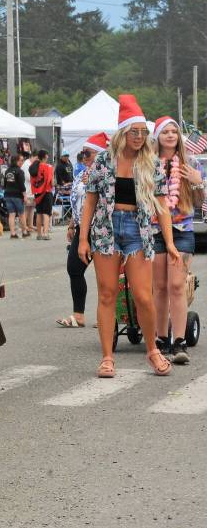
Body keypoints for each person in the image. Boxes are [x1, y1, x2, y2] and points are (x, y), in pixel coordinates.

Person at [78, 95, 180, 378]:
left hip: (138, 230)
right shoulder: (102, 160)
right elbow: (90, 201)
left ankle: (152, 350)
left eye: (143, 132)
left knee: (142, 296)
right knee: (107, 293)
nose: (139, 137)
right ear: (122, 132)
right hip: (106, 228)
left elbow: (162, 207)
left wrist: (169, 242)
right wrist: (83, 239)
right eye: (133, 132)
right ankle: (107, 357)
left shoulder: (151, 162)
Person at [150, 116, 204, 364]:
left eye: (174, 132)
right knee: (159, 287)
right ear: (158, 137)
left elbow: (198, 202)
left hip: (181, 230)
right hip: (154, 231)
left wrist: (197, 183)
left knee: (177, 286)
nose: (170, 136)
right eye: (165, 132)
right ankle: (161, 339)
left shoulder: (189, 163)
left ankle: (179, 342)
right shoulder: (148, 164)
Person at [56, 133, 107, 328]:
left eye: (88, 153)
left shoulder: (107, 173)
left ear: (100, 154)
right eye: (83, 153)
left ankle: (105, 315)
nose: (84, 157)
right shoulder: (81, 174)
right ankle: (79, 315)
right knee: (74, 268)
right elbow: (77, 202)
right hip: (82, 228)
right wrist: (72, 224)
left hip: (102, 228)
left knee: (105, 276)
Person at [30, 149, 55, 240]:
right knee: (46, 213)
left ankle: (39, 234)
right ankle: (45, 233)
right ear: (45, 156)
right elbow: (52, 183)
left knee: (39, 213)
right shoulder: (48, 167)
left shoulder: (34, 167)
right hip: (46, 192)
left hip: (37, 193)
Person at [3, 154, 26, 238]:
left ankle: (12, 233)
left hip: (8, 194)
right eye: (21, 160)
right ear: (16, 161)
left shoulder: (7, 171)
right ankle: (24, 232)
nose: (22, 162)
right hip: (17, 195)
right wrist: (25, 195)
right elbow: (21, 185)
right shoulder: (20, 171)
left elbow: (4, 184)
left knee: (11, 214)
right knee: (21, 214)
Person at [20, 151, 35, 237]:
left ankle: (30, 225)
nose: (36, 160)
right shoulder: (26, 164)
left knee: (32, 208)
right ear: (32, 156)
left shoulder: (31, 164)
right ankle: (24, 226)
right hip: (27, 190)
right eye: (36, 158)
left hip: (32, 190)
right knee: (26, 209)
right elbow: (28, 177)